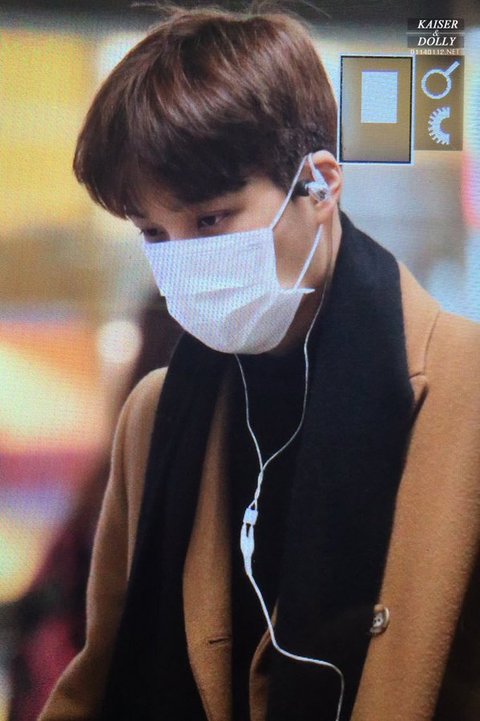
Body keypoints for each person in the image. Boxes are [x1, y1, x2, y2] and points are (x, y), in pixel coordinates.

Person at [38, 5, 480, 721]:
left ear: (320, 186)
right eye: (153, 231)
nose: (184, 258)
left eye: (211, 218)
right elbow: (102, 672)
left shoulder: (465, 392)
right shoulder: (156, 413)